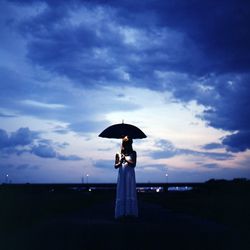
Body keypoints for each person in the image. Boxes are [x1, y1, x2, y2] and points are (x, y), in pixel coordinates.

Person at [114, 135, 138, 219]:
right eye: (126, 143)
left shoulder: (133, 153)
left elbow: (134, 164)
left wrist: (126, 159)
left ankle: (130, 213)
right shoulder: (118, 153)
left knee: (129, 190)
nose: (128, 145)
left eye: (129, 144)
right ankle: (121, 214)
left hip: (129, 175)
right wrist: (120, 162)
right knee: (122, 191)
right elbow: (116, 166)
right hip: (122, 175)